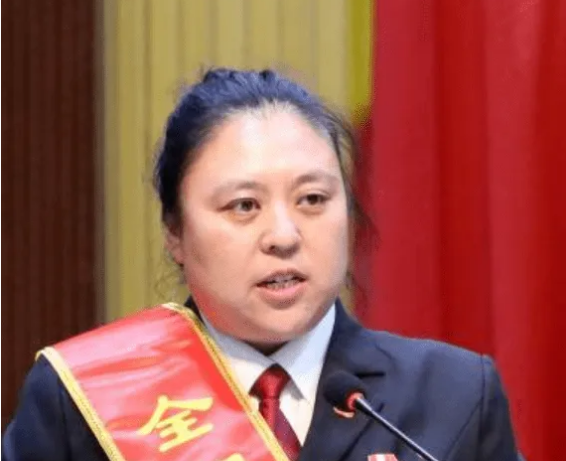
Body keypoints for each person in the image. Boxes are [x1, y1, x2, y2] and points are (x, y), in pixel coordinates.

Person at [2, 68, 522, 461]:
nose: (284, 236)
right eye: (244, 206)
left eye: (312, 199)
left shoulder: (455, 395)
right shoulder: (86, 399)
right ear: (175, 232)